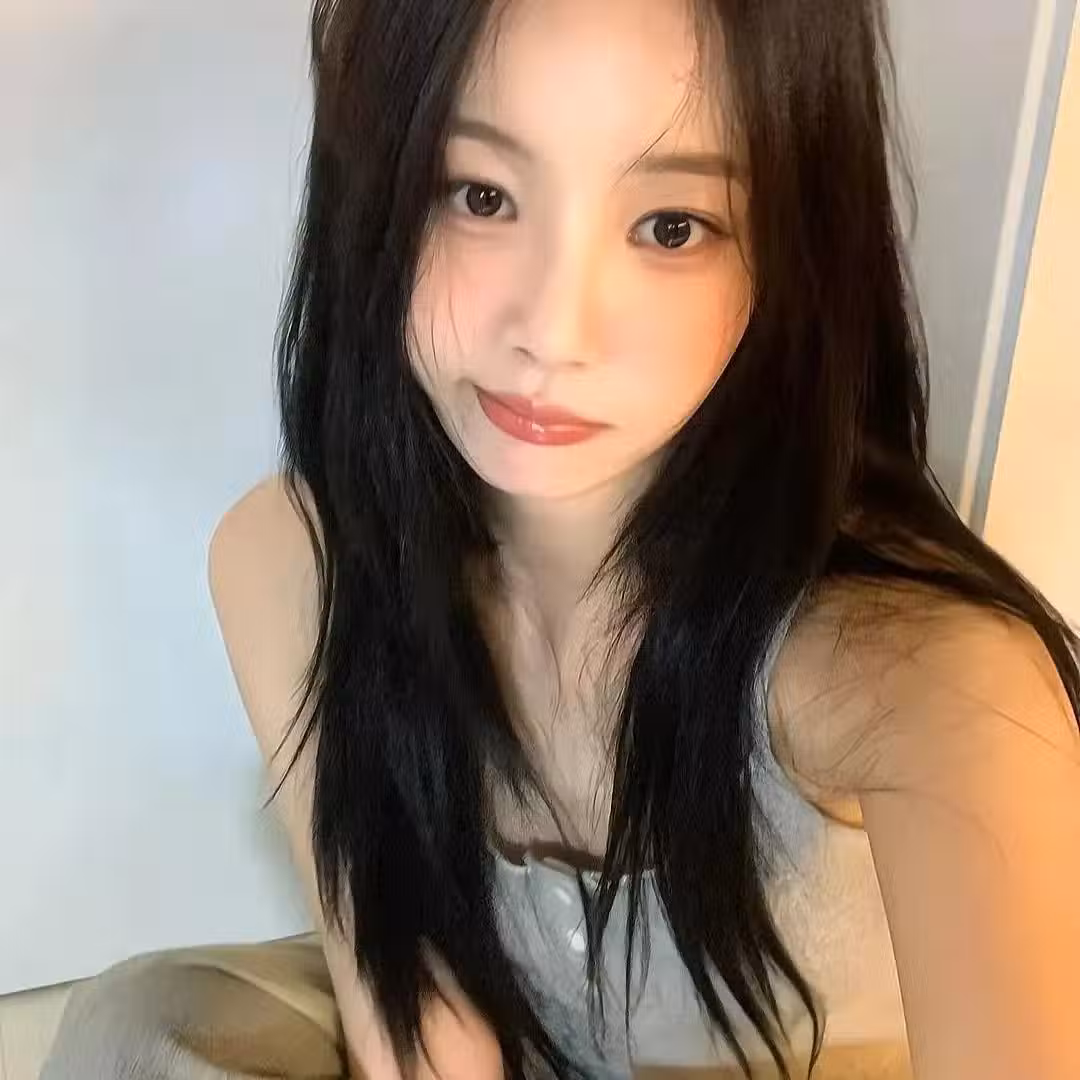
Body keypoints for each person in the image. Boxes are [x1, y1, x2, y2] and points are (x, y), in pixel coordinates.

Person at [43, 0, 1080, 1077]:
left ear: (791, 250)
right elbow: (421, 1032)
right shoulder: (295, 560)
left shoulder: (931, 685)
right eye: (480, 195)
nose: (552, 330)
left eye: (671, 225)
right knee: (147, 1027)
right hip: (513, 1045)